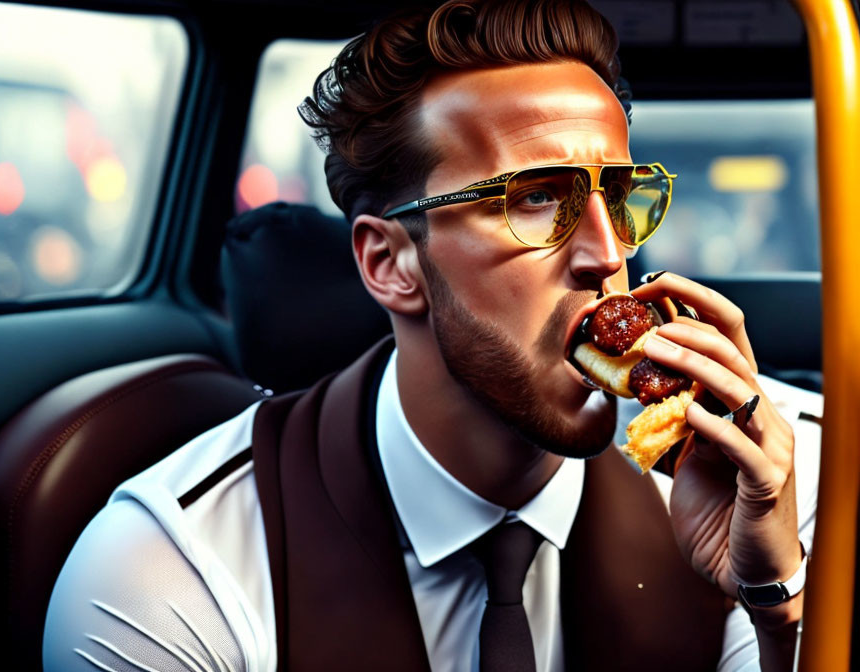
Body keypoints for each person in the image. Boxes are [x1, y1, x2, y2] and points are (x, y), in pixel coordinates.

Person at [43, 1, 820, 670]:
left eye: (619, 198)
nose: (610, 254)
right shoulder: (173, 572)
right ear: (390, 263)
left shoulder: (782, 472)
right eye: (536, 201)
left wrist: (775, 608)